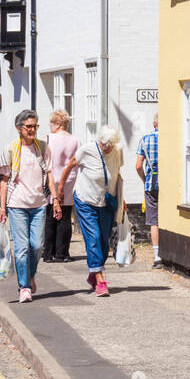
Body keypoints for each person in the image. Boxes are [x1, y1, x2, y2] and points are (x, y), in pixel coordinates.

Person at [62, 125, 124, 297]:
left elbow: (117, 175)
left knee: (105, 242)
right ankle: (100, 280)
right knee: (94, 237)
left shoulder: (118, 151)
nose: (108, 148)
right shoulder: (87, 150)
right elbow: (70, 165)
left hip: (107, 201)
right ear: (100, 141)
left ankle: (93, 273)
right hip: (85, 200)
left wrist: (122, 199)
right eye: (105, 145)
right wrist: (61, 189)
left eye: (111, 145)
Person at [0, 110, 51, 304]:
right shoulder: (11, 149)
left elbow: (49, 173)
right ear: (19, 128)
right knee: (21, 249)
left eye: (35, 126)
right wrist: (2, 208)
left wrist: (56, 199)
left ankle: (29, 274)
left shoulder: (42, 147)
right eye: (28, 126)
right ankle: (24, 287)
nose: (32, 130)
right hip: (17, 205)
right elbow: (4, 180)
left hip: (39, 205)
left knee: (37, 246)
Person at [44, 110, 80, 263]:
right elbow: (77, 161)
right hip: (69, 180)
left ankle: (48, 253)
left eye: (51, 123)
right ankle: (62, 253)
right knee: (65, 216)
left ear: (58, 124)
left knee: (50, 216)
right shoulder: (75, 140)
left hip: (51, 179)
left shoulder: (48, 139)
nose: (50, 126)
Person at [135, 112, 162, 268]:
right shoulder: (171, 139)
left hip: (151, 185)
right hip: (168, 185)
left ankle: (157, 256)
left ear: (154, 124)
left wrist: (145, 180)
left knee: (154, 221)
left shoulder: (145, 140)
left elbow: (138, 166)